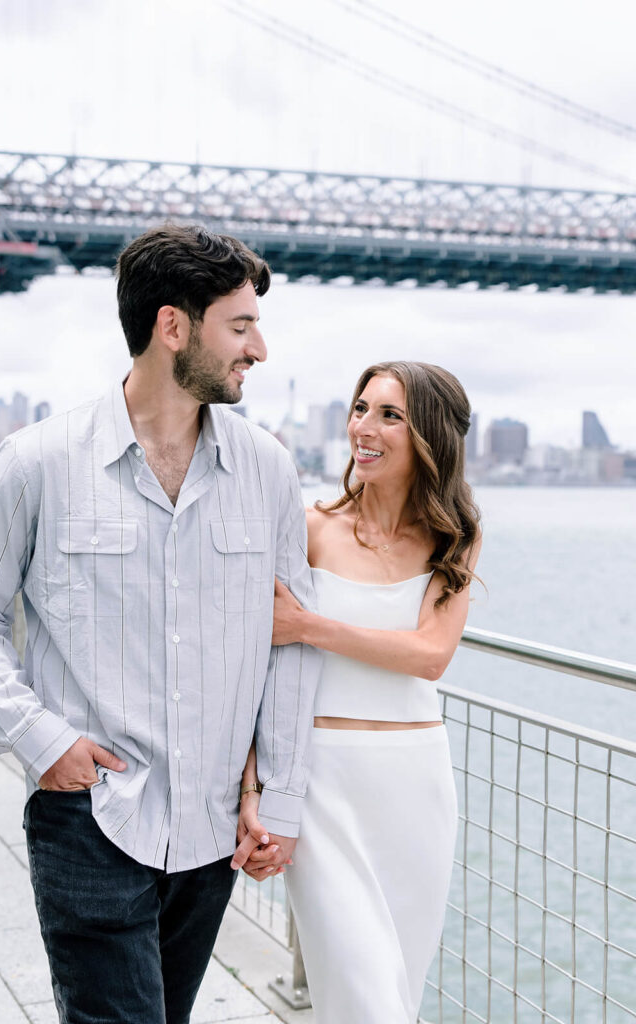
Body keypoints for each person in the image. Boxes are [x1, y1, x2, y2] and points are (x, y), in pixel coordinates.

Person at [0, 224, 320, 1024]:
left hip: (213, 830)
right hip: (91, 815)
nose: (261, 349)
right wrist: (41, 739)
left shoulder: (270, 470)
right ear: (172, 326)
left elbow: (289, 641)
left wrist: (276, 795)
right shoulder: (37, 461)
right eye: (241, 326)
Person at [239, 361, 481, 1023]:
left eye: (389, 415)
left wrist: (308, 626)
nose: (363, 429)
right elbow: (264, 674)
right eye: (360, 408)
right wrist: (253, 790)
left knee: (397, 991)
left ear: (429, 434)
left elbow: (431, 655)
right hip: (323, 786)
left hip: (416, 784)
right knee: (364, 999)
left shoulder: (455, 536)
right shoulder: (311, 524)